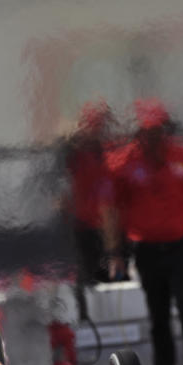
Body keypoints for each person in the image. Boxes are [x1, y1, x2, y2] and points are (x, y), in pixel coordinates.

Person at [102, 99, 183, 365]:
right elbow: (111, 209)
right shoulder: (123, 162)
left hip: (181, 245)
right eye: (146, 133)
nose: (152, 140)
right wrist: (115, 253)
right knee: (158, 316)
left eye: (157, 132)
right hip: (147, 250)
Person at [60, 99, 126, 283]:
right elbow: (60, 137)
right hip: (84, 229)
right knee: (89, 280)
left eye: (101, 125)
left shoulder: (115, 152)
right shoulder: (75, 153)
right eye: (94, 125)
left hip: (114, 229)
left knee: (116, 282)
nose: (98, 131)